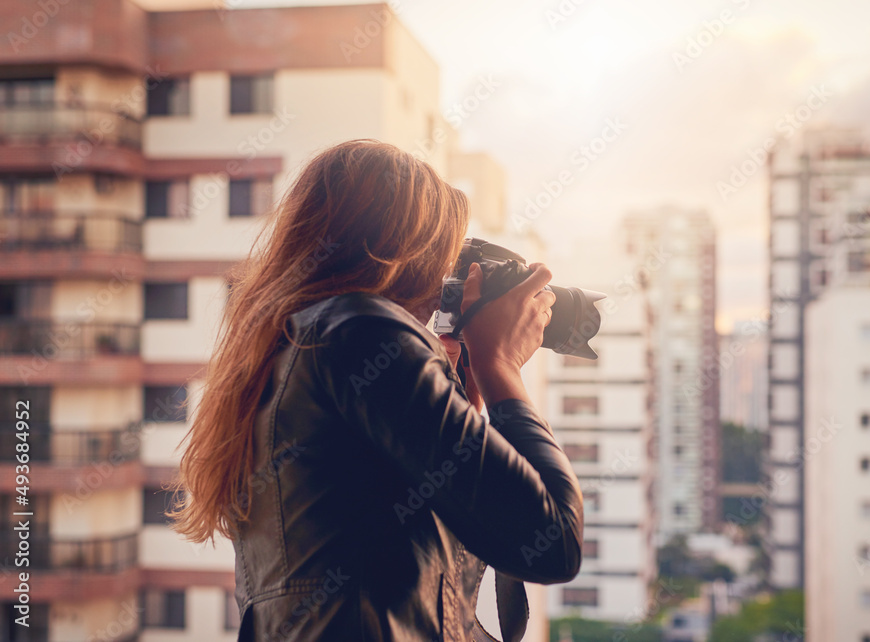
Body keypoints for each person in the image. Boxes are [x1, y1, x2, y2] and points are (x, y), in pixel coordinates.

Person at [169, 139, 584, 641]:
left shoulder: (281, 355)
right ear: (406, 250)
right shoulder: (361, 329)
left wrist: (459, 392)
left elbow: (412, 555)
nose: (442, 286)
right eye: (442, 257)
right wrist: (500, 364)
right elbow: (551, 541)